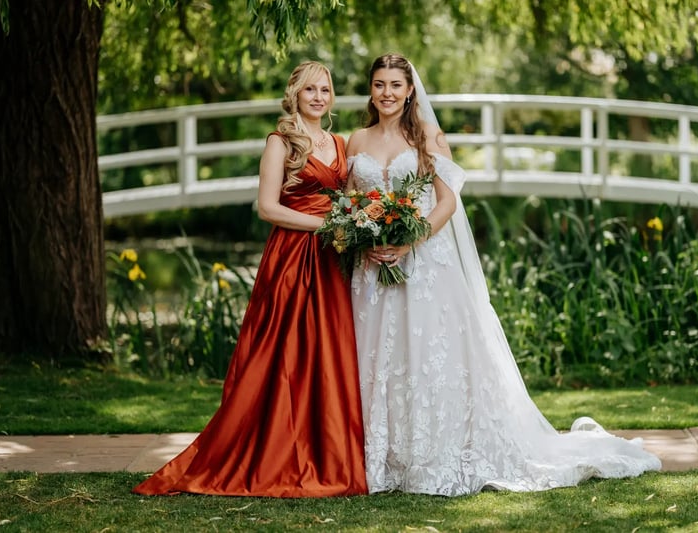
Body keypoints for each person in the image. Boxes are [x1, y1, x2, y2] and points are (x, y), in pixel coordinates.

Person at [345, 53, 662, 497]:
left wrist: (408, 239)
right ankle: (379, 455)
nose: (387, 93)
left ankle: (428, 455)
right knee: (378, 359)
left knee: (421, 355)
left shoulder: (429, 138)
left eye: (395, 85)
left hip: (421, 262)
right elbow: (349, 203)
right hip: (371, 268)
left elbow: (446, 202)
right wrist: (364, 235)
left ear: (410, 89)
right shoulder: (355, 141)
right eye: (379, 84)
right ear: (371, 89)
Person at [132, 61, 367, 497]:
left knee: (328, 352)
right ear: (294, 94)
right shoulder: (280, 142)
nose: (318, 96)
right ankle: (275, 444)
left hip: (331, 262)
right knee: (284, 352)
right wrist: (326, 226)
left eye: (325, 89)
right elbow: (268, 208)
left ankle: (328, 447)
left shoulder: (339, 142)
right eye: (310, 89)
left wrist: (357, 222)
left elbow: (348, 200)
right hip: (293, 259)